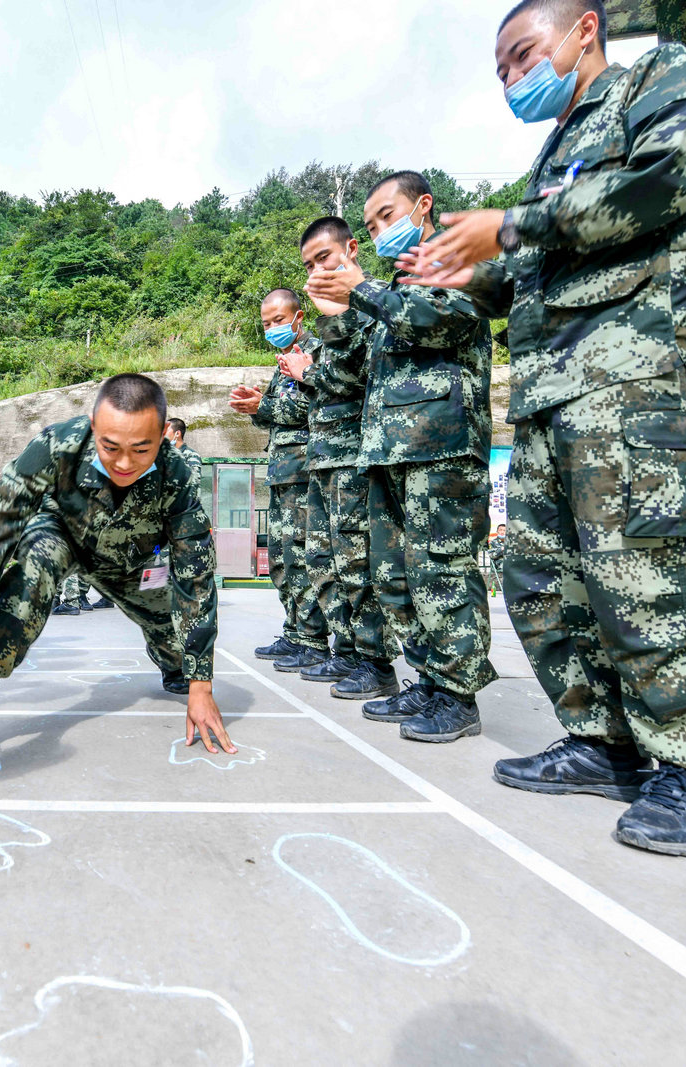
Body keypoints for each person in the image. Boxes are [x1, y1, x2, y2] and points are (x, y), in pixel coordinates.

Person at [401, 0, 686, 855]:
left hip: (631, 383)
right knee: (540, 574)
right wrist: (463, 278)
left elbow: (661, 183)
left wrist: (510, 225)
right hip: (548, 400)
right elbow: (526, 279)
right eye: (503, 72)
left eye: (524, 55)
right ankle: (601, 740)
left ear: (583, 28)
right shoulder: (552, 155)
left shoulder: (657, 81)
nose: (517, 79)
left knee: (643, 576)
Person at [0, 373, 231, 771]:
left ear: (163, 434)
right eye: (111, 447)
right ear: (94, 426)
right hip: (60, 537)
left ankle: (173, 664)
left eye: (141, 449)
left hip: (129, 562)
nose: (124, 463)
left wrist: (201, 684)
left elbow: (194, 575)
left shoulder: (176, 477)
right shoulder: (58, 445)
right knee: (32, 571)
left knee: (177, 636)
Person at [307, 171, 498, 744]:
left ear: (423, 206)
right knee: (397, 574)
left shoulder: (450, 263)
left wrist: (361, 293)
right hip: (387, 453)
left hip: (442, 446)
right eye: (370, 224)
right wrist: (339, 318)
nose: (380, 229)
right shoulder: (384, 291)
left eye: (387, 216)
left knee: (441, 567)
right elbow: (345, 377)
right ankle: (430, 680)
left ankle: (458, 694)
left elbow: (439, 321)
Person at [279, 217, 399, 700]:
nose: (316, 271)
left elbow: (354, 379)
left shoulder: (375, 309)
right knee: (325, 561)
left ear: (351, 249)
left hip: (354, 456)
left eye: (323, 258)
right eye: (308, 265)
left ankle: (374, 659)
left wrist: (310, 369)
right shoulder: (335, 322)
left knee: (357, 562)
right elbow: (325, 388)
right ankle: (348, 651)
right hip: (322, 458)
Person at [230, 288, 328, 666]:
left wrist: (264, 404)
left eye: (278, 320)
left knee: (302, 556)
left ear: (298, 317)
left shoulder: (313, 353)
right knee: (283, 559)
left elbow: (311, 405)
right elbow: (277, 413)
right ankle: (295, 630)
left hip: (304, 471)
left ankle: (313, 640)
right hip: (283, 472)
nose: (272, 328)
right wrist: (255, 405)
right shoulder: (283, 360)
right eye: (266, 323)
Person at [486, 524, 507, 594]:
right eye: (500, 530)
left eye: (504, 530)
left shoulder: (510, 542)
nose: (502, 532)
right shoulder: (493, 542)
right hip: (499, 563)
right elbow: (492, 555)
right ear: (497, 531)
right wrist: (501, 549)